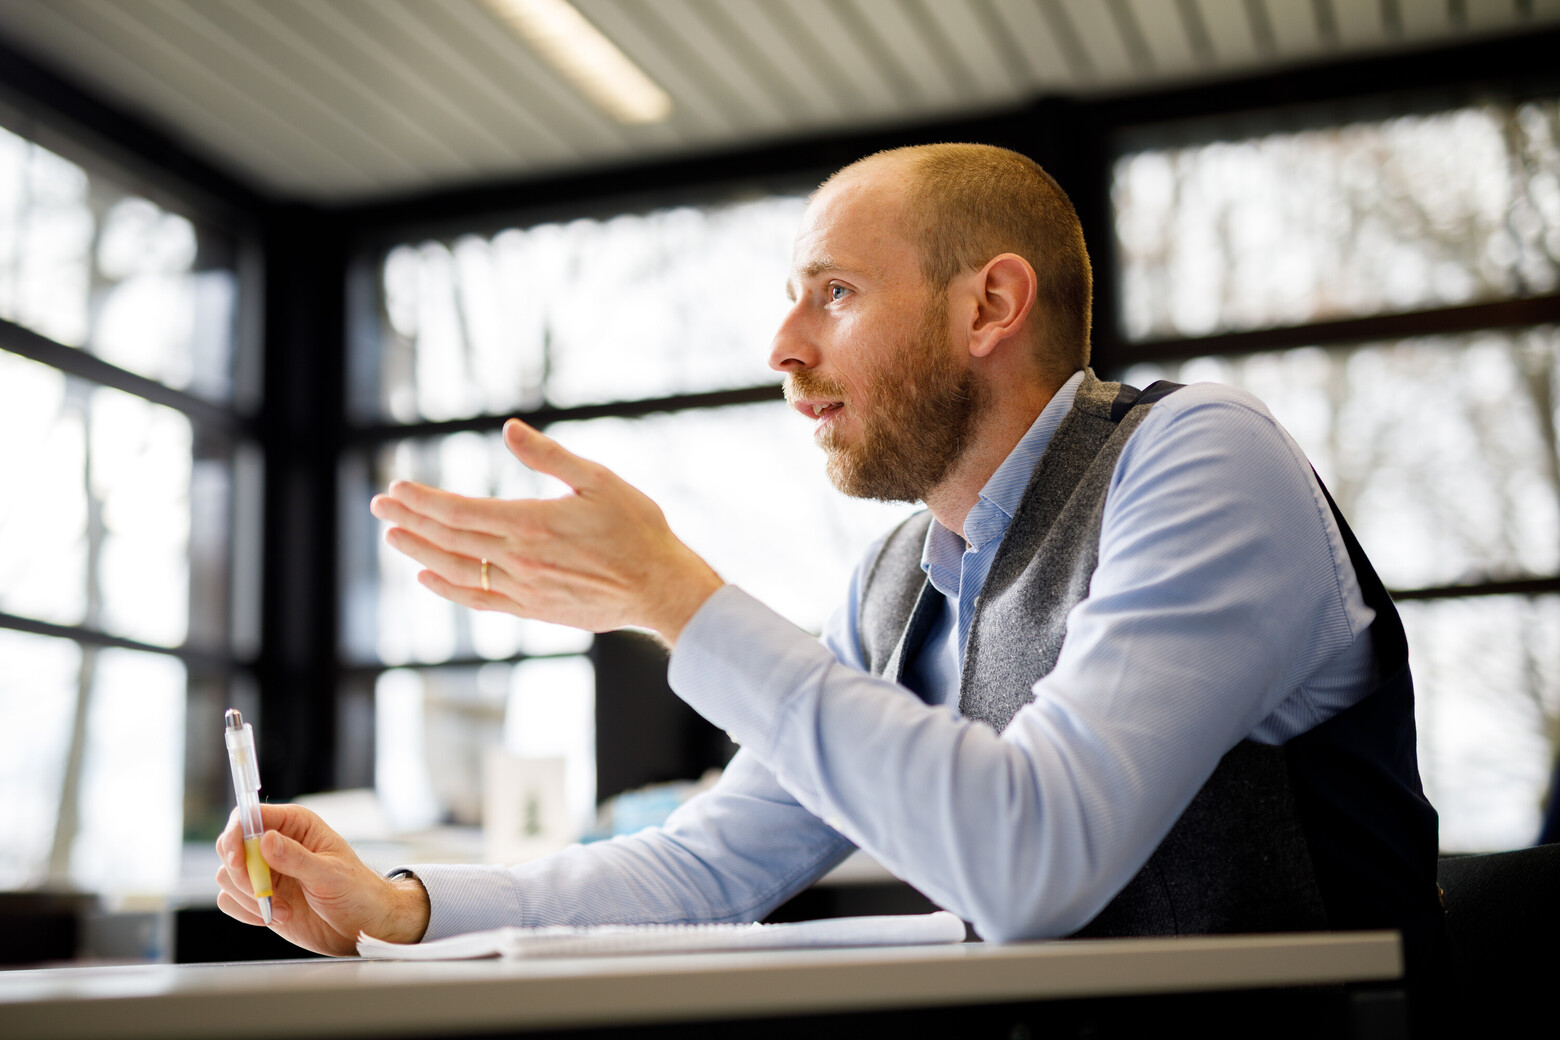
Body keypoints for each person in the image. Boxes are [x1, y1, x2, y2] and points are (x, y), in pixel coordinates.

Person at [216, 144, 1445, 987]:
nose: (783, 348)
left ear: (988, 306)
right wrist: (408, 908)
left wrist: (674, 596)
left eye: (835, 294)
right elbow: (705, 866)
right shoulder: (900, 579)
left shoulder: (1201, 459)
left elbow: (1036, 859)